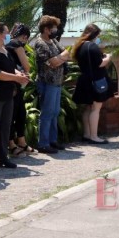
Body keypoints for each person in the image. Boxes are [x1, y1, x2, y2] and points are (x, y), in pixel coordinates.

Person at [0, 22, 30, 170]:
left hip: (9, 94)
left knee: (6, 127)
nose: (9, 35)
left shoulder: (4, 49)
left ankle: (3, 158)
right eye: (6, 32)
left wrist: (17, 73)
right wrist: (16, 78)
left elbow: (10, 67)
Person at [71, 23, 114, 144]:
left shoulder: (79, 46)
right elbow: (100, 63)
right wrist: (108, 57)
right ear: (94, 35)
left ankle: (87, 134)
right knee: (96, 108)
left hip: (84, 80)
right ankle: (94, 136)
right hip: (96, 81)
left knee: (88, 108)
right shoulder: (92, 46)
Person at [34, 15, 70, 154]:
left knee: (54, 112)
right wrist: (61, 58)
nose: (56, 30)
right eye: (53, 27)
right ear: (46, 29)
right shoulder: (40, 44)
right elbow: (52, 63)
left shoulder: (53, 41)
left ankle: (52, 140)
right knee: (47, 113)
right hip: (47, 83)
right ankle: (43, 143)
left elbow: (67, 53)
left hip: (57, 82)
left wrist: (59, 58)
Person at [6, 23, 36, 155]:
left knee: (19, 113)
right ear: (25, 36)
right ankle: (13, 144)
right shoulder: (17, 45)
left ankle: (20, 143)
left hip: (13, 83)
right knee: (16, 114)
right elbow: (27, 66)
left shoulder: (6, 45)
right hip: (15, 84)